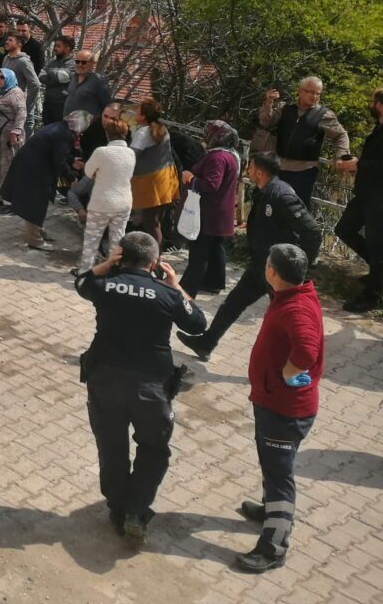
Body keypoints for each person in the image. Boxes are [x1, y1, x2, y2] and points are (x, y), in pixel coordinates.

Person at [75, 232, 207, 544]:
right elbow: (198, 324)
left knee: (112, 446)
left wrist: (106, 264)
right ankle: (135, 511)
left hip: (105, 380)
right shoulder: (167, 294)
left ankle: (117, 507)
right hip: (151, 387)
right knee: (154, 448)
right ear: (155, 263)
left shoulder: (105, 285)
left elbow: (81, 283)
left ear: (120, 257)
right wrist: (176, 285)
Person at [177, 152, 321, 363]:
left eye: (251, 167)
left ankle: (295, 362)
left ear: (260, 172)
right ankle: (207, 342)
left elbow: (313, 232)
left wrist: (298, 265)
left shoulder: (282, 196)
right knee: (232, 304)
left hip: (279, 271)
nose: (248, 171)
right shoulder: (263, 192)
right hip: (261, 265)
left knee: (284, 318)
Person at [234, 243, 324, 573]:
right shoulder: (293, 296)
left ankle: (273, 547)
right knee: (272, 465)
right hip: (276, 403)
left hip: (284, 410)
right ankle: (270, 510)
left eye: (266, 263)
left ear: (272, 271)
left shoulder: (296, 309)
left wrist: (287, 373)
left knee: (279, 476)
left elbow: (306, 351)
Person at [0, 111, 90, 251]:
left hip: (32, 164)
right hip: (34, 169)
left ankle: (38, 229)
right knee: (35, 204)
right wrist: (72, 177)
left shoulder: (61, 127)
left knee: (38, 203)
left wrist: (72, 161)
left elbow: (56, 152)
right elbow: (59, 160)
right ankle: (34, 239)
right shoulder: (64, 135)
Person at [258, 78, 350, 207]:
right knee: (270, 206)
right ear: (300, 91)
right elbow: (266, 122)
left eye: (318, 93)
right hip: (278, 168)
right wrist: (268, 102)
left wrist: (341, 155)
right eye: (310, 92)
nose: (314, 97)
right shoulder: (285, 108)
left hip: (304, 172)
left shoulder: (324, 114)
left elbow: (340, 135)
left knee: (295, 208)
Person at [178, 121, 242, 298]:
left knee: (199, 252)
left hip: (209, 212)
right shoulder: (230, 155)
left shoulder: (217, 157)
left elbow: (212, 184)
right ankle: (214, 282)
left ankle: (186, 289)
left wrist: (191, 178)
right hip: (221, 211)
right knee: (215, 248)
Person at [339, 88, 383, 311]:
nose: (370, 105)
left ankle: (370, 296)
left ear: (380, 105)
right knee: (344, 229)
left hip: (379, 197)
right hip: (366, 193)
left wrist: (358, 165)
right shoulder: (378, 128)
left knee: (377, 246)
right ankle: (378, 271)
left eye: (373, 102)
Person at [75, 117, 135, 273]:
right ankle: (113, 273)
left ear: (107, 134)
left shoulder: (101, 152)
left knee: (91, 241)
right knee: (117, 242)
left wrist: (99, 174)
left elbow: (88, 171)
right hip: (124, 203)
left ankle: (85, 273)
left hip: (101, 203)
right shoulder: (131, 153)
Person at [129, 101, 178, 249]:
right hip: (166, 177)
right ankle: (154, 253)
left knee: (151, 222)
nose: (135, 112)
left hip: (151, 181)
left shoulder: (143, 133)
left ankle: (155, 256)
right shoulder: (162, 129)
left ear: (143, 116)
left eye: (137, 111)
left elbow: (131, 156)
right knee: (156, 220)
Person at [0, 67, 27, 199]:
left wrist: (15, 132)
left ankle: (10, 198)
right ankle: (1, 195)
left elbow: (21, 113)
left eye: (2, 77)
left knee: (9, 165)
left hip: (9, 137)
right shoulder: (0, 91)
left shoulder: (16, 93)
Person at [64, 50, 111, 160]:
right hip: (70, 130)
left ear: (93, 63)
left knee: (86, 161)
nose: (80, 65)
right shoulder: (74, 77)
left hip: (89, 133)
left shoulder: (98, 81)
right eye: (77, 61)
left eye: (84, 62)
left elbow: (106, 105)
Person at [1, 32, 40, 136]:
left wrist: (25, 102)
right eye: (7, 40)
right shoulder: (6, 58)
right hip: (7, 107)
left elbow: (35, 84)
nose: (7, 42)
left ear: (19, 44)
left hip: (20, 108)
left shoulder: (23, 62)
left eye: (10, 40)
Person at [41, 35, 76, 126]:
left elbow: (62, 77)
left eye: (58, 46)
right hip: (48, 103)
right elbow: (41, 76)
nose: (55, 48)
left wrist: (50, 72)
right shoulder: (52, 62)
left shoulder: (74, 64)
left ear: (67, 48)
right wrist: (55, 77)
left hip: (62, 106)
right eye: (55, 46)